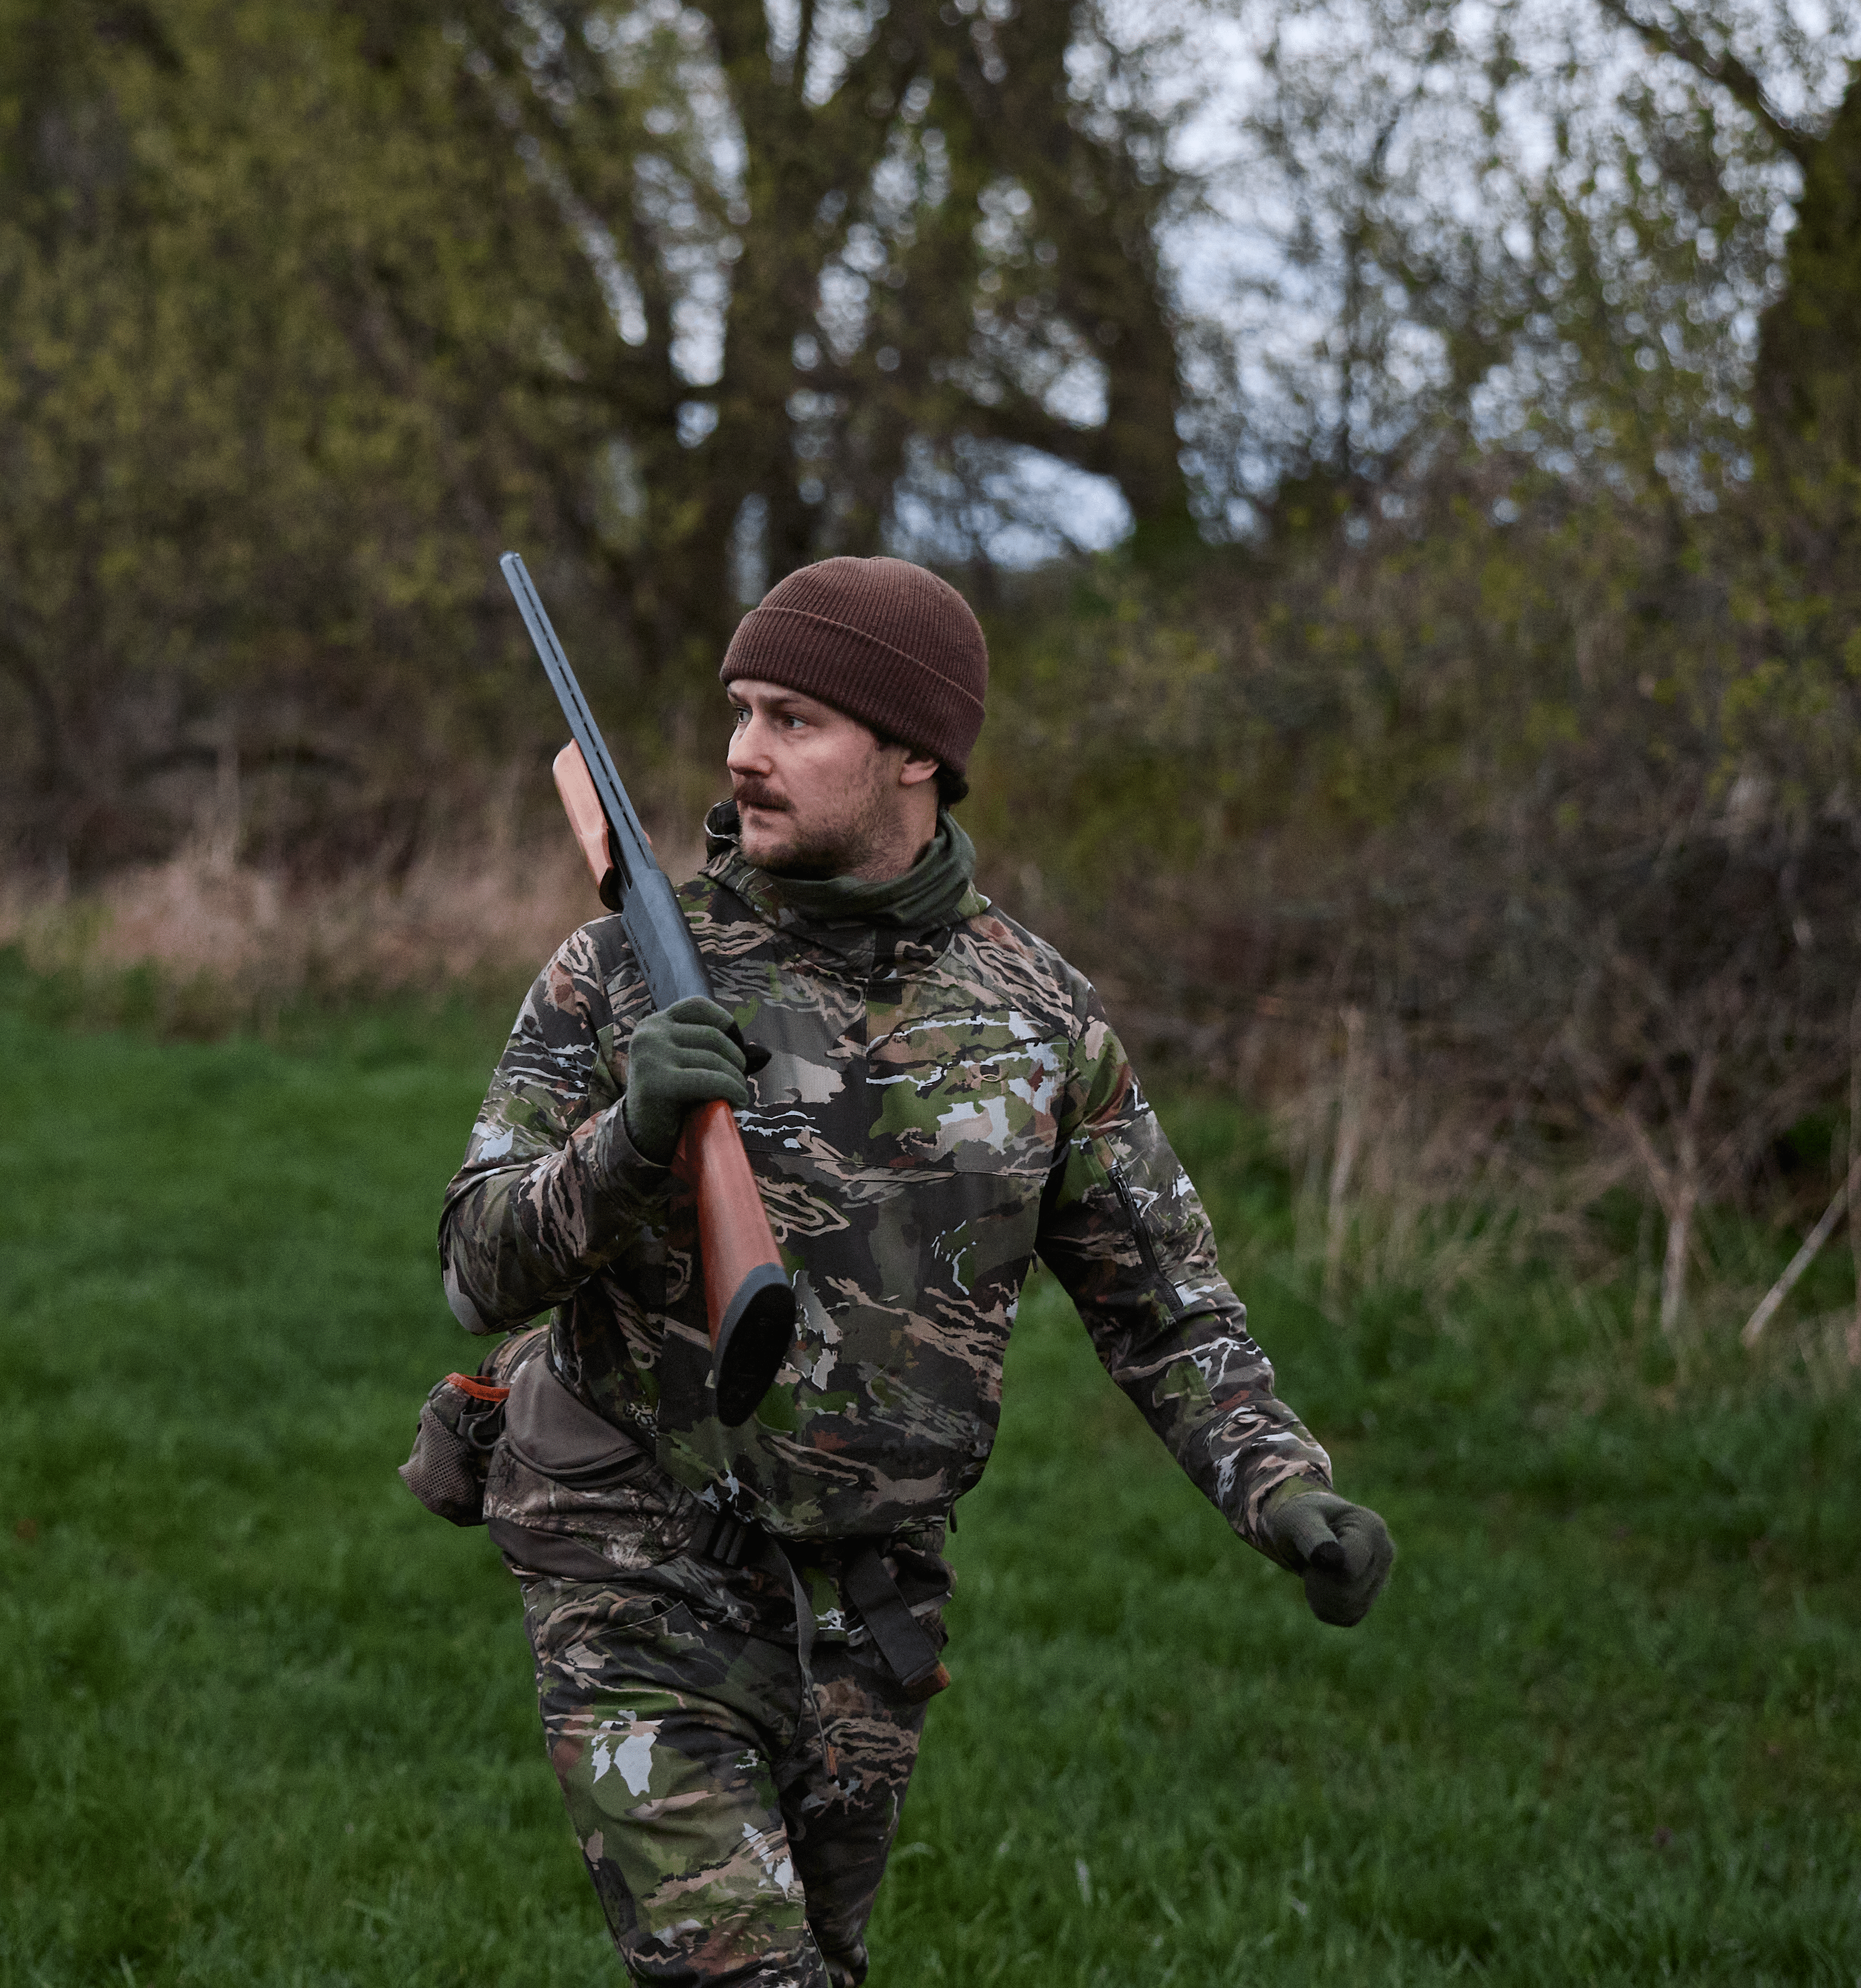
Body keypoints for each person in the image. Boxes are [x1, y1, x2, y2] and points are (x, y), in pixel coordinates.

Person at [438, 556, 1392, 1985]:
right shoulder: (623, 972)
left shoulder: (1040, 1023)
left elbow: (1169, 1314)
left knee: (821, 1959)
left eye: (794, 721)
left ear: (915, 759)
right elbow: (475, 1265)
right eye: (741, 711)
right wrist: (632, 1133)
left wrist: (1286, 1491)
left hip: (870, 1612)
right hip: (630, 1567)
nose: (742, 752)